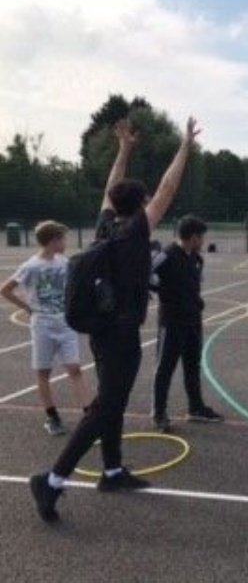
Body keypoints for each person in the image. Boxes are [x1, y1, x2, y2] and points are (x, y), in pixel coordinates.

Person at [30, 113, 201, 523]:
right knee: (105, 409)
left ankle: (111, 470)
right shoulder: (135, 231)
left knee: (114, 402)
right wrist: (183, 147)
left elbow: (112, 189)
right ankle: (51, 481)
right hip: (122, 333)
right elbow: (168, 186)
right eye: (146, 203)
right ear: (140, 206)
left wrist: (124, 150)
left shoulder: (105, 226)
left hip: (103, 330)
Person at [1, 221, 91, 436]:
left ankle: (90, 415)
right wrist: (28, 307)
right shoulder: (31, 266)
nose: (65, 242)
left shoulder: (64, 262)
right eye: (62, 238)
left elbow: (73, 287)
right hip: (42, 325)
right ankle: (53, 417)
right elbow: (5, 289)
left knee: (75, 368)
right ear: (53, 241)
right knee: (44, 372)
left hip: (65, 322)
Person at [150, 215, 223, 431]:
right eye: (201, 237)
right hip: (171, 322)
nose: (203, 241)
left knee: (192, 365)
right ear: (193, 237)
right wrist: (161, 290)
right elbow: (145, 274)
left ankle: (196, 407)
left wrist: (196, 302)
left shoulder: (196, 258)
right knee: (165, 368)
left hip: (193, 321)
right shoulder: (166, 255)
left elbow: (193, 285)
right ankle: (159, 413)